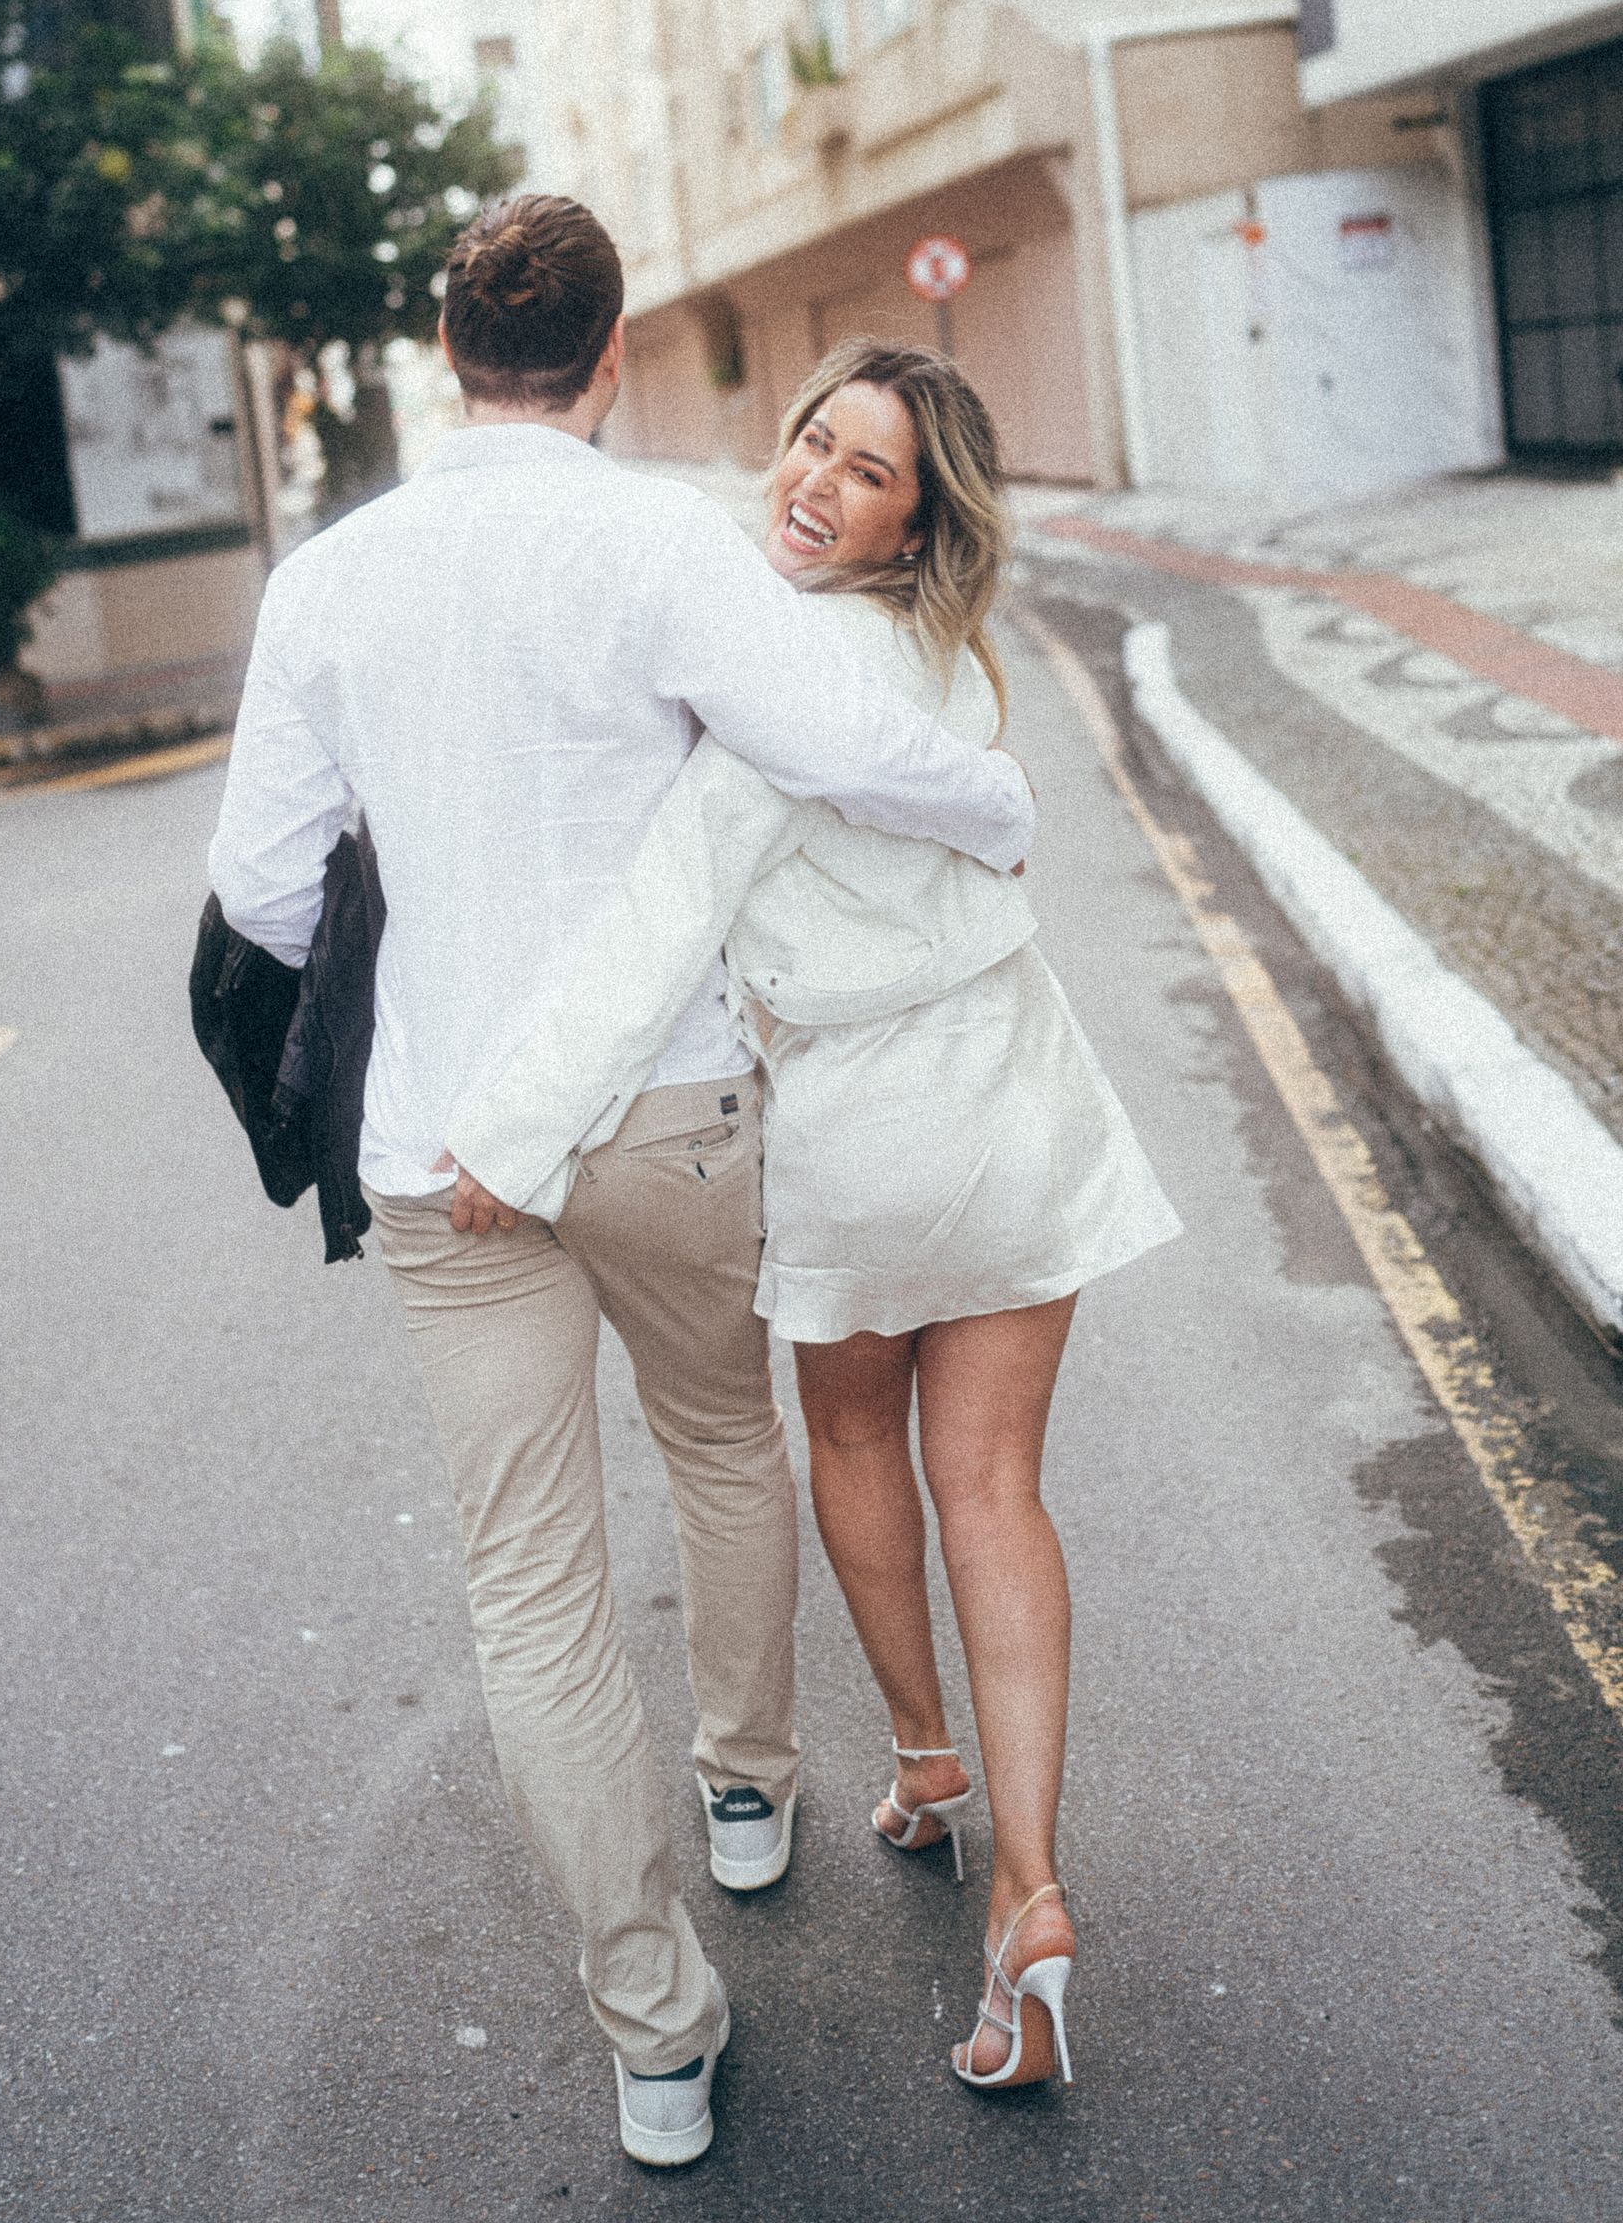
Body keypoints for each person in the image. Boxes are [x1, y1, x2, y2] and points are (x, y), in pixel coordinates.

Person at [206, 202, 1036, 2167]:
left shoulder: (329, 581)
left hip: (436, 1146)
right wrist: (998, 808)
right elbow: (843, 738)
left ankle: (654, 2032)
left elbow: (257, 885)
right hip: (669, 1115)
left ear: (440, 347)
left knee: (532, 1586)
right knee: (725, 1445)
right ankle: (750, 1788)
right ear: (611, 355)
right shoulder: (665, 536)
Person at [447, 338, 1181, 2098]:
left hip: (861, 1122)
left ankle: (926, 1756)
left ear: (914, 524)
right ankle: (1027, 1884)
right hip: (1017, 1092)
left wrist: (515, 1134)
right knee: (995, 1488)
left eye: (867, 473)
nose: (815, 481)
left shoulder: (782, 679)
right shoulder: (947, 658)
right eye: (812, 441)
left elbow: (663, 918)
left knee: (854, 1441)